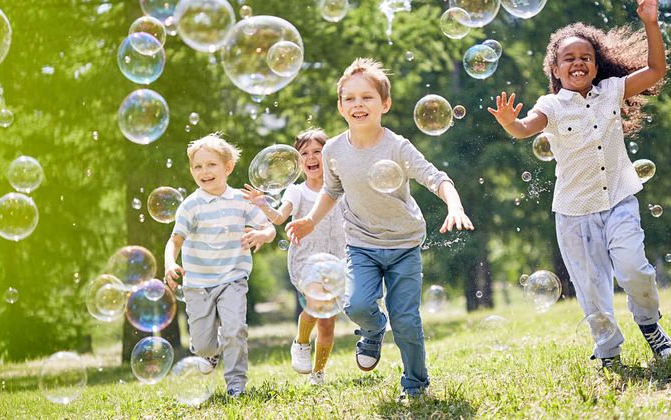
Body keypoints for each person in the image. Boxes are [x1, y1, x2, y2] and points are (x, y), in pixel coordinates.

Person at [488, 0, 671, 369]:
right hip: (575, 213)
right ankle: (608, 351)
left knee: (635, 269)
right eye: (569, 57)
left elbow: (656, 70)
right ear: (555, 69)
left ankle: (650, 326)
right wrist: (510, 123)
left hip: (620, 200)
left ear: (596, 63)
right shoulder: (551, 105)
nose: (578, 62)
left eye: (586, 56)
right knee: (592, 292)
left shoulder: (611, 90)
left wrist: (651, 24)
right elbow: (526, 128)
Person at [286, 58, 474, 400]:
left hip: (403, 244)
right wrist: (310, 221)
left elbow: (436, 178)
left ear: (384, 103)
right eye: (351, 98)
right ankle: (373, 330)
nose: (359, 104)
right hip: (360, 244)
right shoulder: (333, 150)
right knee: (355, 304)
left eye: (367, 97)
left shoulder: (397, 146)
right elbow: (331, 190)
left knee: (406, 320)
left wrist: (455, 205)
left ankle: (415, 384)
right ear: (341, 106)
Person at [164, 133, 276, 397]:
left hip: (232, 278)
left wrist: (263, 234)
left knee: (235, 329)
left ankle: (236, 385)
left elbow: (269, 227)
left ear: (227, 167)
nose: (204, 171)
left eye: (211, 164)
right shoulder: (190, 206)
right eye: (197, 166)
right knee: (203, 345)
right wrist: (170, 262)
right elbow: (175, 239)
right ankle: (210, 354)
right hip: (198, 284)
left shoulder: (241, 200)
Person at [241, 128, 346, 386]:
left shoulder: (342, 187)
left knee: (327, 324)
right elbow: (278, 217)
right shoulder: (296, 192)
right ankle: (300, 343)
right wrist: (263, 204)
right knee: (315, 304)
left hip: (338, 260)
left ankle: (318, 373)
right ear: (299, 161)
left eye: (318, 152)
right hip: (307, 259)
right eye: (305, 153)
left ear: (328, 156)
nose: (311, 158)